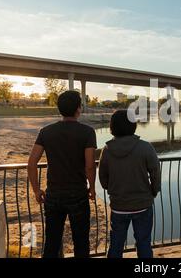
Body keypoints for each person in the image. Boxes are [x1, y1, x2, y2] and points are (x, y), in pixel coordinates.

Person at [27, 90, 97, 258]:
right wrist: (92, 188)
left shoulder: (46, 131)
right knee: (81, 243)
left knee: (52, 242)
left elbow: (31, 163)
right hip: (78, 195)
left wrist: (37, 190)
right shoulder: (87, 132)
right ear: (78, 109)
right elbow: (89, 166)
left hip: (53, 195)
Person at [99, 110, 161, 258]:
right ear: (133, 125)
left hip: (119, 205)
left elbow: (103, 178)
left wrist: (112, 189)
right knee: (144, 242)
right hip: (142, 205)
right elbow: (155, 173)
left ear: (112, 127)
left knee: (116, 244)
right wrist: (154, 191)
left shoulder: (107, 150)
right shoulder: (146, 147)